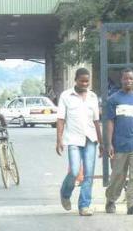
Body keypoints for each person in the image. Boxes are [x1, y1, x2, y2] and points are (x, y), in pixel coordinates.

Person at [56, 68, 103, 216]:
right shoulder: (66, 96)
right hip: (73, 140)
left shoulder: (93, 97)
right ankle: (65, 193)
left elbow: (96, 121)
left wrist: (101, 142)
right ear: (75, 80)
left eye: (87, 81)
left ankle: (84, 206)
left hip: (91, 139)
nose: (84, 83)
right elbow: (61, 119)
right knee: (75, 171)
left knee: (88, 174)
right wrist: (59, 140)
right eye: (82, 80)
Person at [105, 68, 133, 215]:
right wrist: (109, 143)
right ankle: (111, 200)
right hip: (120, 144)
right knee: (118, 175)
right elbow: (110, 122)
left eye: (131, 78)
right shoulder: (113, 99)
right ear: (121, 80)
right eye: (125, 78)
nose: (128, 81)